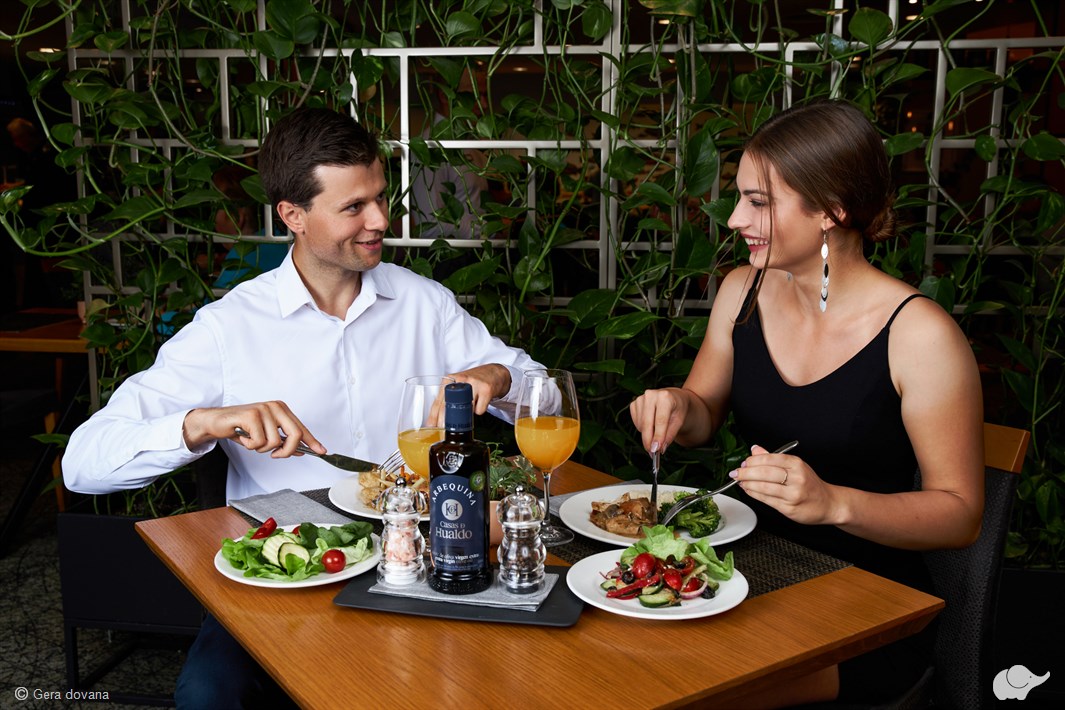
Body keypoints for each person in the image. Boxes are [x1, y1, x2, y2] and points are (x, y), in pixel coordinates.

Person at [62, 107, 544, 707]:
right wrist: (203, 423)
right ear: (292, 215)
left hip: (424, 561)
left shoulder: (426, 305)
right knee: (209, 696)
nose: (380, 220)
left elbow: (541, 391)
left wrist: (498, 374)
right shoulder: (227, 328)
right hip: (290, 576)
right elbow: (82, 462)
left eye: (379, 197)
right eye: (353, 207)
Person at [629, 100, 984, 708]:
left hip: (868, 614)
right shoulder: (743, 291)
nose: (735, 219)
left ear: (831, 210)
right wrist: (676, 407)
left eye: (758, 201)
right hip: (747, 577)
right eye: (739, 198)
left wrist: (833, 503)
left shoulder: (920, 335)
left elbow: (960, 515)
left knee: (689, 696)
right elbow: (703, 413)